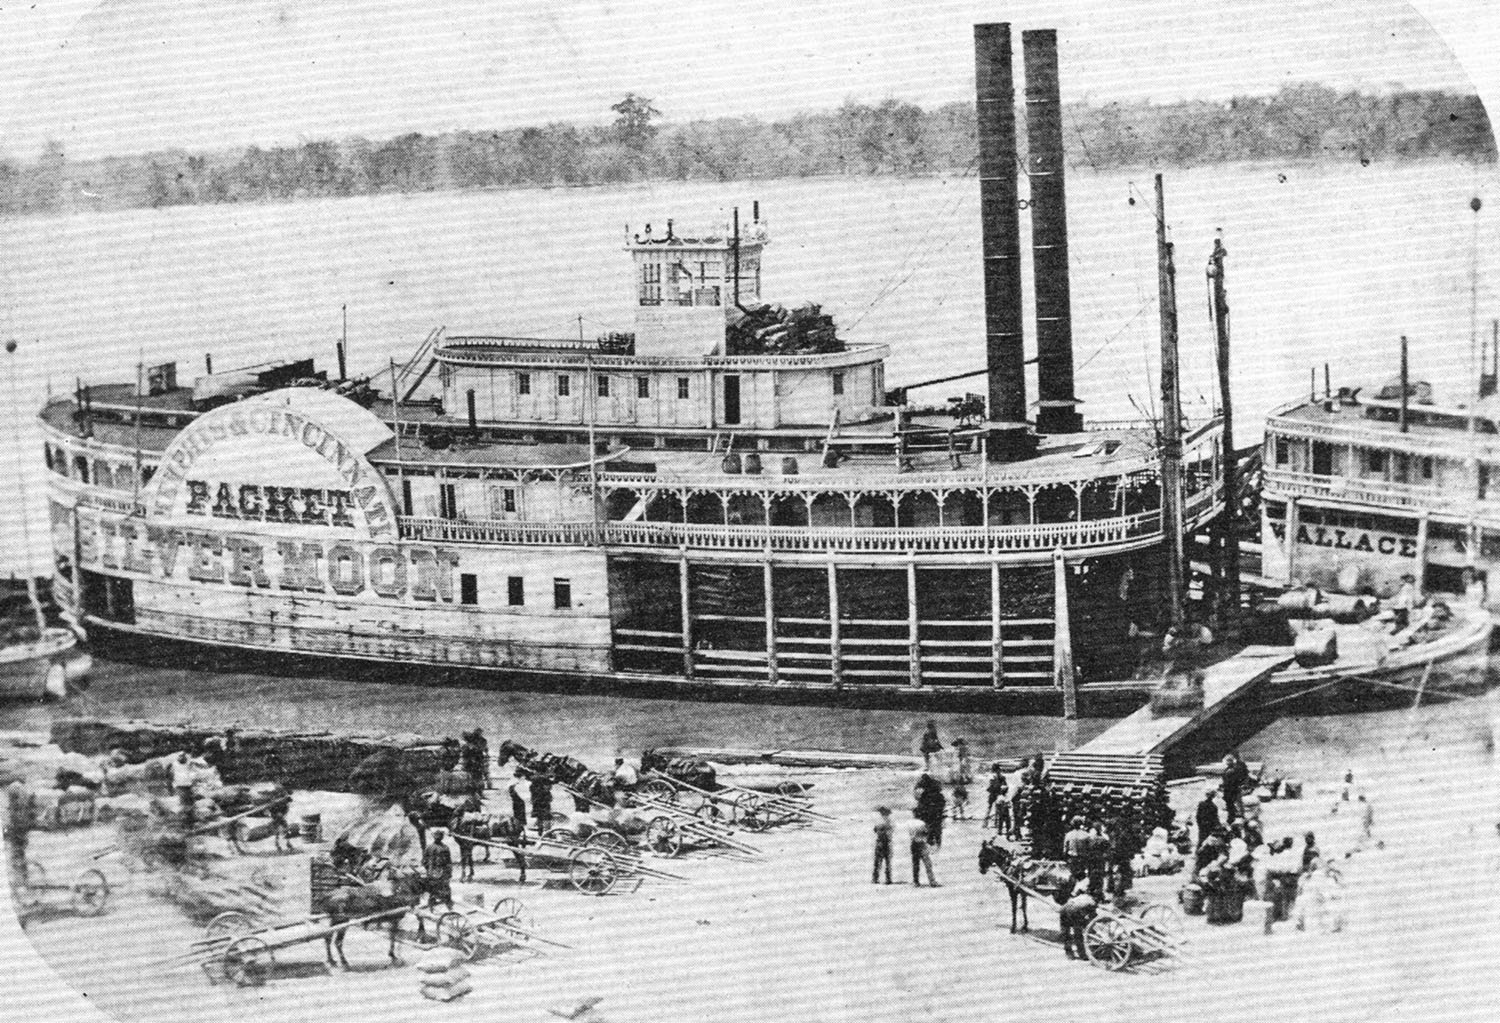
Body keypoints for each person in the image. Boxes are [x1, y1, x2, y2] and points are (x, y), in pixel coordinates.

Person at [1059, 880, 1098, 960]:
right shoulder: (1091, 902)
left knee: (1072, 933)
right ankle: (1076, 954)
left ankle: (1075, 954)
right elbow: (1092, 917)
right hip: (1069, 911)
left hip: (1070, 909)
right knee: (1074, 933)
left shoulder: (1085, 897)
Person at [422, 828, 455, 912]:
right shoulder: (444, 847)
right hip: (441, 873)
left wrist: (429, 870)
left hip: (435, 873)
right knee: (443, 891)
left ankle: (434, 909)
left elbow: (424, 861)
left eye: (439, 835)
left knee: (435, 891)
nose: (438, 837)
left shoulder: (430, 847)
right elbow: (449, 862)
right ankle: (448, 909)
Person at [908, 812, 939, 887]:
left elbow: (910, 833)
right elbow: (926, 832)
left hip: (913, 844)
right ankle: (932, 881)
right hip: (921, 844)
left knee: (915, 864)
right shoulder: (922, 823)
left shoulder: (910, 823)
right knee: (927, 863)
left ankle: (916, 881)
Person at [1221, 751, 1250, 822]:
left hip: (1230, 790)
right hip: (1235, 789)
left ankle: (1232, 818)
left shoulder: (1230, 770)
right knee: (1238, 802)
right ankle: (1240, 816)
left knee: (1232, 804)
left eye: (1228, 761)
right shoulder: (1233, 768)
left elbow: (1229, 781)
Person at [171, 752, 198, 827]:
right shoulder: (174, 765)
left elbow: (193, 774)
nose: (182, 758)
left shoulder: (189, 764)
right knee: (183, 805)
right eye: (180, 756)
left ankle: (191, 822)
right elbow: (171, 776)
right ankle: (184, 823)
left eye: (183, 756)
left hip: (188, 787)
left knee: (190, 804)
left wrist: (193, 780)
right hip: (180, 787)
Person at [1063, 816, 1091, 881]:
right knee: (1082, 876)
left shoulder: (1068, 835)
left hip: (1072, 858)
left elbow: (1065, 849)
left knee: (1072, 874)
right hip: (1082, 858)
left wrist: (1065, 858)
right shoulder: (1086, 835)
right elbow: (1089, 848)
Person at [872, 806, 894, 884]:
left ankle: (875, 878)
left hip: (879, 841)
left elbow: (874, 830)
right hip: (887, 842)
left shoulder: (878, 821)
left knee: (877, 861)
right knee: (888, 861)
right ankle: (888, 879)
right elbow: (891, 831)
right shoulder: (890, 821)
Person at [984, 763, 1008, 833]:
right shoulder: (1001, 776)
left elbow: (989, 786)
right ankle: (995, 823)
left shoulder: (991, 776)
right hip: (998, 793)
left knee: (989, 808)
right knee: (997, 809)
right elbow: (1004, 785)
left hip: (992, 793)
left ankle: (985, 823)